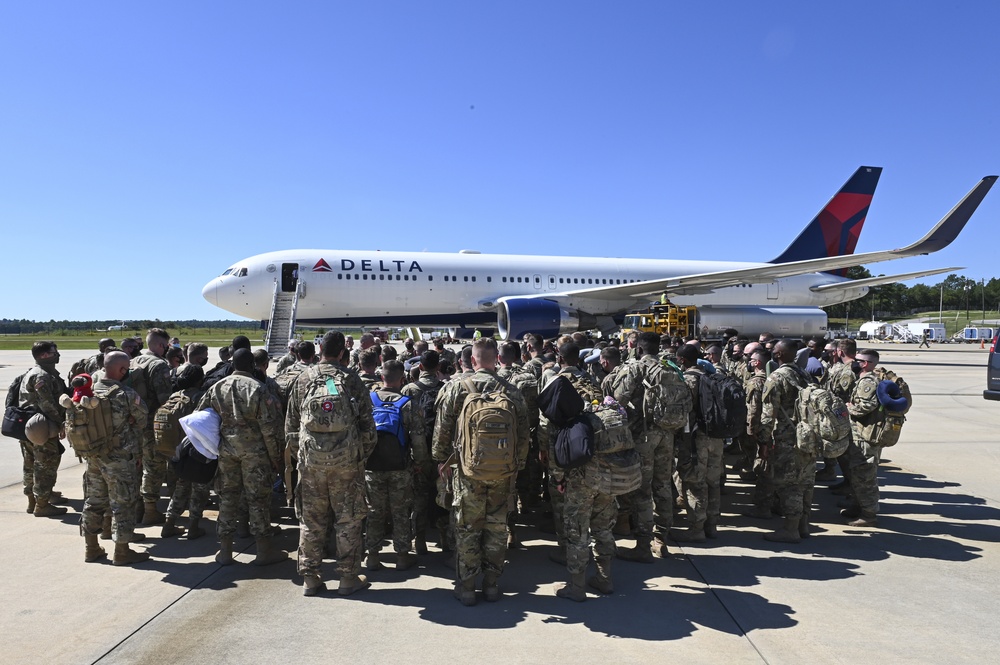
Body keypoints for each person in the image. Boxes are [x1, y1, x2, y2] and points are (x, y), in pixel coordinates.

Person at [432, 338, 529, 606]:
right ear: (497, 359)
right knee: (496, 529)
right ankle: (491, 585)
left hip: (467, 471)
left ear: (472, 361)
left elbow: (441, 432)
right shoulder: (511, 390)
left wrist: (442, 462)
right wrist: (516, 466)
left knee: (467, 528)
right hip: (503, 473)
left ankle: (465, 587)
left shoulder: (456, 388)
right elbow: (523, 435)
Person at [286, 332, 377, 596]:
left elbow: (291, 426)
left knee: (311, 520)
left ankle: (310, 578)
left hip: (311, 463)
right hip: (346, 463)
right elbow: (368, 428)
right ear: (341, 353)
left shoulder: (303, 379)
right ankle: (348, 578)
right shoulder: (351, 379)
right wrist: (359, 456)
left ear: (320, 349)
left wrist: (302, 456)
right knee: (348, 519)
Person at [200, 348, 288, 567]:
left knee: (228, 498)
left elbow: (202, 417)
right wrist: (276, 456)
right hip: (255, 453)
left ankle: (226, 550)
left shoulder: (216, 387)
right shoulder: (258, 389)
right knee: (258, 500)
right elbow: (269, 427)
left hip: (227, 451)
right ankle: (263, 549)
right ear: (252, 366)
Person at [80, 351, 151, 565]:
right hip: (119, 459)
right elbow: (141, 420)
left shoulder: (88, 392)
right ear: (121, 370)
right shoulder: (126, 394)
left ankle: (91, 548)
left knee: (93, 501)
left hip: (93, 457)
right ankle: (122, 551)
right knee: (123, 503)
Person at [365, 360, 427, 572]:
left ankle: (372, 556)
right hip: (400, 467)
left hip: (372, 467)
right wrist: (419, 463)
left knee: (374, 511)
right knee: (400, 511)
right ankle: (402, 556)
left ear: (381, 377)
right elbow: (418, 440)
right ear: (403, 379)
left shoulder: (369, 401)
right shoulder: (408, 404)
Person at [760, 340, 813, 543]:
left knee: (789, 483)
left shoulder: (777, 377)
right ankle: (803, 525)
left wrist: (764, 441)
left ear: (780, 354)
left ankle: (791, 529)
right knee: (806, 481)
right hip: (808, 436)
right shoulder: (804, 374)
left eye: (774, 351)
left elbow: (768, 414)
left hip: (787, 437)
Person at [673, 343, 724, 542]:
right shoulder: (712, 377)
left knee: (695, 482)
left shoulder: (687, 380)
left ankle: (696, 529)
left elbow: (682, 412)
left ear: (682, 360)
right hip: (715, 438)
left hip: (695, 439)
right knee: (713, 482)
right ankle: (711, 526)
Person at [400, 349, 446, 555]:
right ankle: (445, 538)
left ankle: (419, 540)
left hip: (417, 453)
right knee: (443, 495)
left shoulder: (409, 389)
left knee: (418, 497)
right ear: (438, 368)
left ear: (420, 367)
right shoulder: (447, 389)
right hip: (441, 453)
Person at [128, 328, 176, 525]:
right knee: (153, 467)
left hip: (132, 423)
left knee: (136, 466)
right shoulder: (159, 365)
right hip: (151, 422)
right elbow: (165, 399)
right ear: (160, 345)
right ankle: (150, 509)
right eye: (166, 346)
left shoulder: (132, 361)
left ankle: (136, 507)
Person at [18, 341, 68, 516]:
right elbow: (46, 403)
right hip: (42, 426)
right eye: (54, 352)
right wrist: (60, 422)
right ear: (44, 355)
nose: (57, 355)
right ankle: (42, 504)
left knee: (30, 463)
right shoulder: (42, 376)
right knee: (46, 465)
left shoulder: (35, 372)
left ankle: (33, 500)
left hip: (29, 425)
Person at [160, 363, 209, 539]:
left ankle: (169, 524)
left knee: (181, 488)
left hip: (177, 450)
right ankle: (194, 526)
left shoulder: (174, 396)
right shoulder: (201, 397)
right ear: (199, 379)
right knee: (199, 490)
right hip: (196, 451)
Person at [842, 349, 891, 527]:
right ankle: (858, 506)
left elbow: (866, 406)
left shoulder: (868, 381)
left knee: (865, 476)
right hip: (860, 434)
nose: (853, 362)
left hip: (866, 436)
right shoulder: (864, 379)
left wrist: (848, 408)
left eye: (858, 360)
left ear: (865, 363)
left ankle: (869, 514)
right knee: (857, 474)